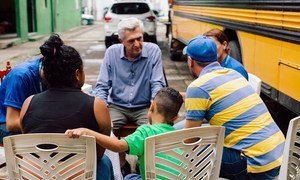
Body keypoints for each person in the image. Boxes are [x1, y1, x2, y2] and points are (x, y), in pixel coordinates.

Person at [183, 36, 284, 179]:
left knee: (194, 152)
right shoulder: (234, 73)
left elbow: (189, 139)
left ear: (191, 61)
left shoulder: (198, 87)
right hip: (280, 155)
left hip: (256, 165)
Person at [19, 34, 114, 180]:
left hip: (38, 175)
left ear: (45, 74)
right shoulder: (96, 106)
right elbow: (98, 154)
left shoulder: (28, 103)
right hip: (79, 175)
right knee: (105, 162)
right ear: (77, 74)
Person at [95, 17, 166, 174]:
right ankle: (120, 165)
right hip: (117, 106)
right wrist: (101, 109)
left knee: (154, 133)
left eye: (139, 38)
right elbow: (102, 86)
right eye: (131, 41)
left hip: (144, 106)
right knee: (102, 130)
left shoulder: (153, 50)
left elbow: (157, 84)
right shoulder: (111, 53)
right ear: (121, 41)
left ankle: (145, 168)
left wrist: (154, 107)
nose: (137, 44)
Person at [65, 87, 184, 180]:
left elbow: (117, 146)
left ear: (152, 106)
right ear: (175, 118)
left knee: (127, 177)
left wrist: (87, 132)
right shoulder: (178, 136)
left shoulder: (146, 132)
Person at [0, 57, 46, 143]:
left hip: (32, 118)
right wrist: (46, 125)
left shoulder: (61, 72)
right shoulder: (20, 76)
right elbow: (12, 123)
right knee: (39, 141)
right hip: (4, 122)